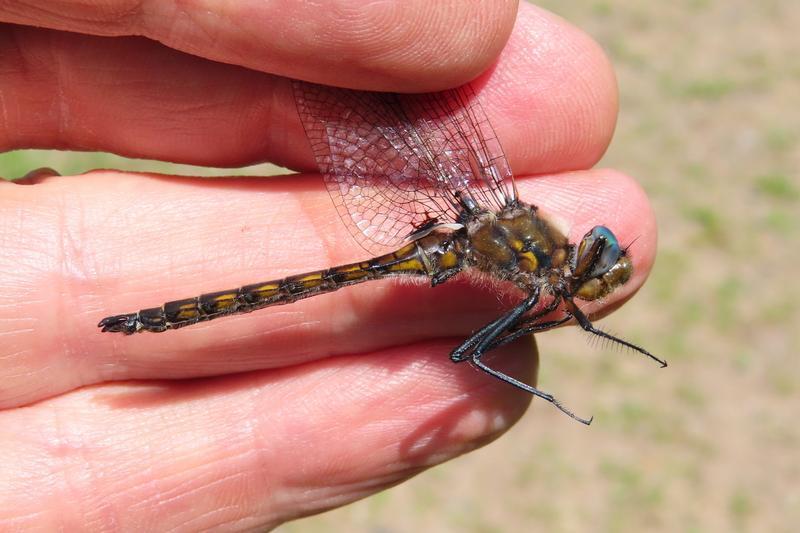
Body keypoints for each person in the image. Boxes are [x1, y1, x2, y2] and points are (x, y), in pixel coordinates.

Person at [0, 1, 655, 529]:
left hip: (454, 234)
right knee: (474, 354)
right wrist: (546, 387)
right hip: (446, 239)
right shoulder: (540, 264)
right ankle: (151, 318)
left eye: (591, 263)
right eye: (590, 265)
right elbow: (477, 351)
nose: (586, 278)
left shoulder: (531, 247)